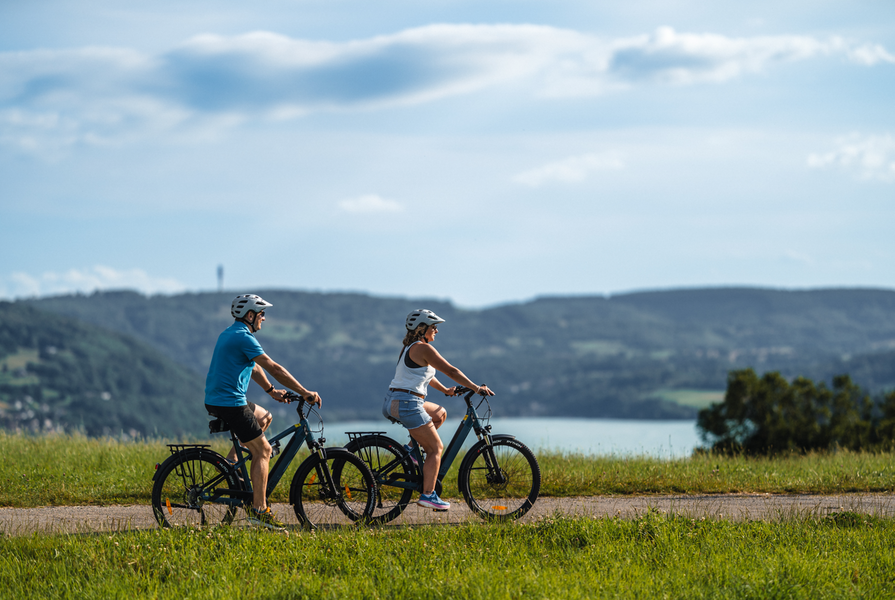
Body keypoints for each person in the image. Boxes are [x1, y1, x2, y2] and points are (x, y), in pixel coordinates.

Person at [205, 294, 322, 529]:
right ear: (250, 316)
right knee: (264, 450)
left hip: (222, 399)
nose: (264, 319)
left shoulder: (231, 333)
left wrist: (272, 391)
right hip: (230, 403)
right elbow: (275, 368)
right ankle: (259, 510)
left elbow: (254, 366)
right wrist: (304, 391)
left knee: (264, 417)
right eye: (261, 314)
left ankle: (231, 468)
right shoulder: (243, 337)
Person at [382, 309, 494, 510]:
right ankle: (428, 495)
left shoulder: (410, 347)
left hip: (398, 400)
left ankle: (411, 452)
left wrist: (445, 390)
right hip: (407, 403)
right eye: (434, 327)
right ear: (422, 328)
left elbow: (425, 374)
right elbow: (452, 370)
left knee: (439, 413)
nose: (436, 331)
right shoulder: (423, 349)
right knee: (436, 448)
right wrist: (476, 388)